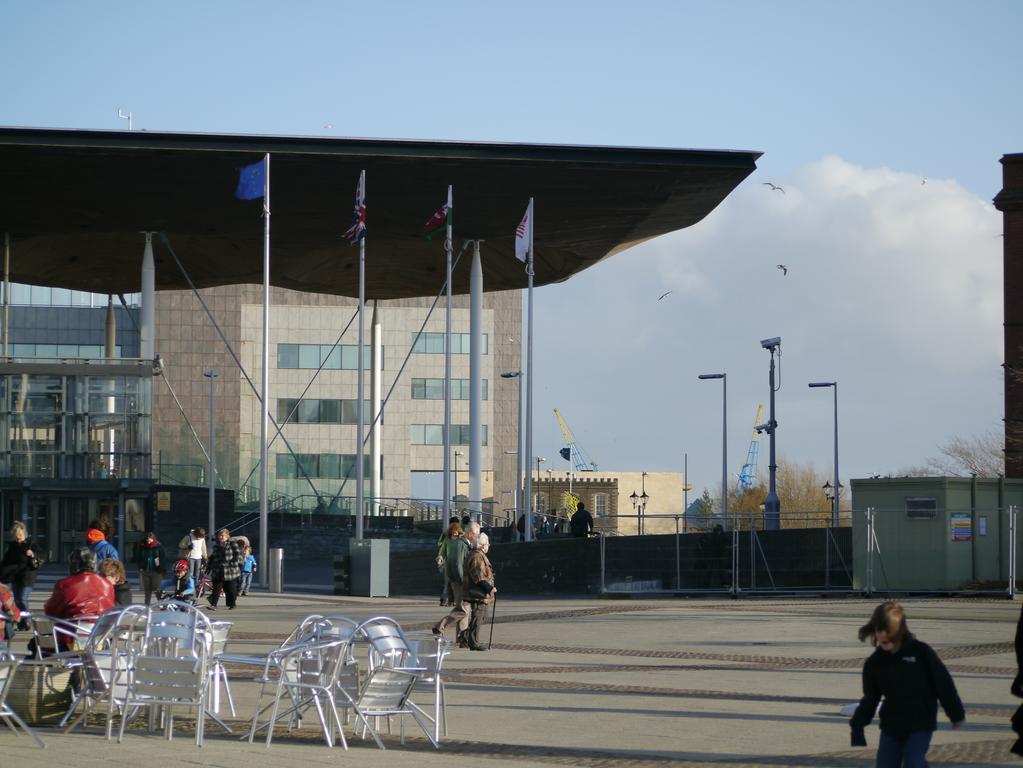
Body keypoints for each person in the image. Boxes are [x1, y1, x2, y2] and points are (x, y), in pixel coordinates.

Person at [850, 601, 964, 767]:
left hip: (921, 721)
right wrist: (858, 723)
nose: (882, 635)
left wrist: (956, 713)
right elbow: (871, 698)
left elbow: (943, 683)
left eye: (887, 630)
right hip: (892, 725)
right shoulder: (874, 663)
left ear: (899, 629)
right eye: (878, 629)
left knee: (913, 763)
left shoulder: (921, 652)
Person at [433, 521, 477, 642]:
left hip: (455, 576)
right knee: (462, 609)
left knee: (464, 609)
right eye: (453, 532)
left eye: (457, 532)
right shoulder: (456, 543)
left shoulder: (462, 542)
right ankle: (440, 627)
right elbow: (452, 560)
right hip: (457, 577)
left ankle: (462, 638)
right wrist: (461, 580)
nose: (455, 534)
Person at [44, 547, 114, 622]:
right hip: (100, 629)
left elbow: (51, 611)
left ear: (73, 564)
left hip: (72, 629)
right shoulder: (107, 584)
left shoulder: (65, 584)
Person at [0, 521, 41, 629]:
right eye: (16, 536)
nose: (18, 538)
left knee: (23, 598)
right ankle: (22, 622)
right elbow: (6, 561)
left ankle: (26, 619)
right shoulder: (12, 546)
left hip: (27, 577)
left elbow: (40, 557)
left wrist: (32, 554)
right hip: (15, 577)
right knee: (17, 600)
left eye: (20, 535)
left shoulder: (31, 545)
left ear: (24, 534)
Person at [463, 530, 497, 651]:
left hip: (480, 592)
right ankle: (473, 642)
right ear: (483, 545)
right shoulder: (477, 556)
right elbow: (478, 577)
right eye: (487, 544)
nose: (489, 546)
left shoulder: (478, 555)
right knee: (478, 616)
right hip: (477, 592)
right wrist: (489, 588)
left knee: (482, 616)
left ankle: (465, 636)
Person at [206, 528, 241, 611]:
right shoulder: (216, 546)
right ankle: (213, 605)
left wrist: (233, 564)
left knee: (230, 589)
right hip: (218, 570)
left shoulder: (233, 544)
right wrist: (209, 566)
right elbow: (213, 557)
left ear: (227, 537)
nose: (220, 537)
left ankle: (232, 604)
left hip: (230, 571)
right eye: (219, 535)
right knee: (216, 589)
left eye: (222, 536)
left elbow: (237, 555)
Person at [135, 531, 166, 606]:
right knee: (147, 590)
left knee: (157, 589)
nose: (148, 541)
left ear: (153, 538)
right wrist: (140, 567)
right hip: (145, 570)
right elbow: (138, 558)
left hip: (156, 571)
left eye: (150, 539)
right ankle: (146, 605)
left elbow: (162, 559)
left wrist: (161, 569)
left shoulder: (159, 547)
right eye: (147, 539)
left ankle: (161, 603)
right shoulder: (142, 546)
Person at [436, 517, 461, 606]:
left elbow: (439, 544)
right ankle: (448, 599)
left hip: (452, 561)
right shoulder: (447, 535)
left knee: (450, 582)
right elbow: (441, 547)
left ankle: (448, 599)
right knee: (449, 582)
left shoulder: (460, 537)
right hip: (449, 562)